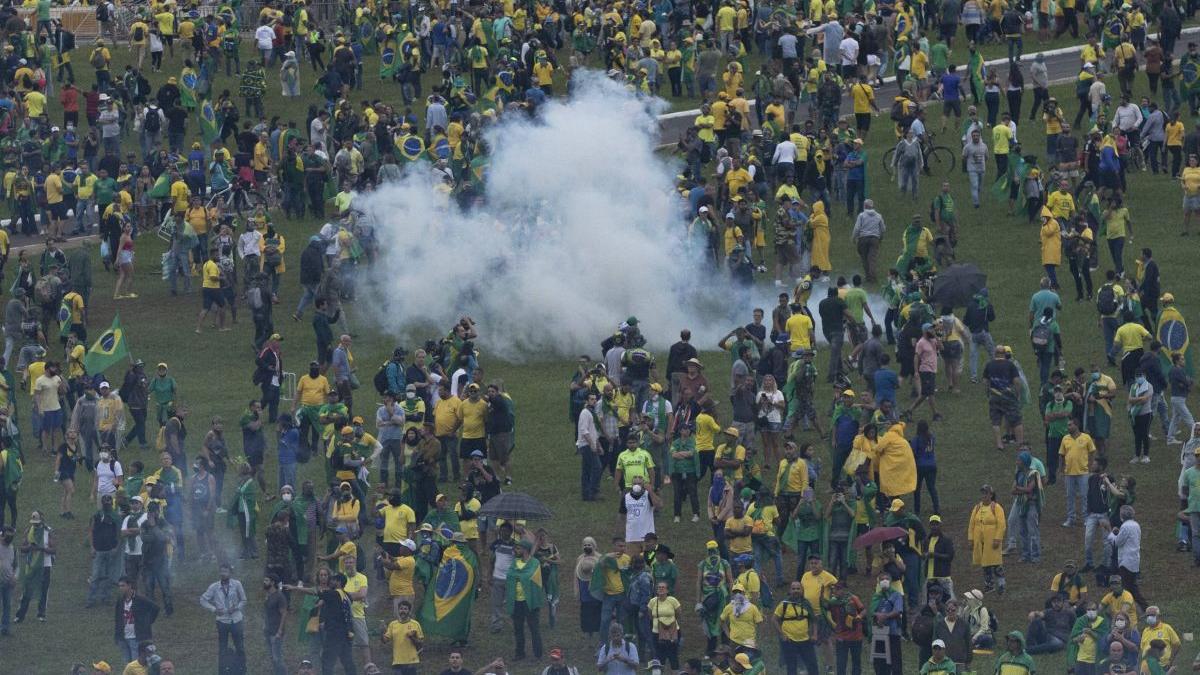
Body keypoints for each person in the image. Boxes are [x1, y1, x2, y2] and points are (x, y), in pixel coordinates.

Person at [198, 564, 246, 672]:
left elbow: (244, 600)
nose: (223, 574)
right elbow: (202, 600)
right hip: (222, 621)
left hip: (236, 620)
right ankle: (222, 671)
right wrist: (214, 609)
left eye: (225, 571)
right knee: (222, 648)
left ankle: (242, 670)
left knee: (240, 647)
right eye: (221, 572)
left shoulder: (237, 584)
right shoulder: (214, 586)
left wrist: (237, 608)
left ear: (230, 573)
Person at [506, 538, 545, 661]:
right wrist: (520, 576)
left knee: (534, 628)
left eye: (518, 548)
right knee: (518, 628)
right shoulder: (514, 563)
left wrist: (519, 576)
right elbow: (509, 575)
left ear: (525, 550)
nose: (515, 550)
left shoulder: (534, 563)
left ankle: (538, 654)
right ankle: (519, 653)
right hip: (516, 601)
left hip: (530, 601)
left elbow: (531, 577)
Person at [773, 580, 819, 675]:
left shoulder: (806, 604)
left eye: (798, 589)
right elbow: (774, 619)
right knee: (791, 668)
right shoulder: (784, 604)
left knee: (813, 666)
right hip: (790, 641)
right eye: (793, 589)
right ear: (790, 590)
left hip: (805, 640)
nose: (796, 591)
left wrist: (815, 634)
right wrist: (782, 635)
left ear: (802, 590)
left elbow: (814, 620)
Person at [967, 485, 1006, 594]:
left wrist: (997, 539)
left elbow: (1001, 525)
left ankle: (1001, 584)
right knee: (985, 564)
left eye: (986, 493)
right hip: (980, 542)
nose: (984, 496)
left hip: (992, 541)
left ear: (991, 495)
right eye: (983, 493)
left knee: (996, 564)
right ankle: (989, 585)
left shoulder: (997, 507)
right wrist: (971, 539)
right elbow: (971, 524)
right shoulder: (977, 508)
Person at [113, 576, 158, 664]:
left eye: (123, 586)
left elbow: (155, 608)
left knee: (137, 663)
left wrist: (147, 622)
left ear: (129, 585)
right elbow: (117, 618)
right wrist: (117, 635)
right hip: (123, 637)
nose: (121, 588)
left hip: (136, 637)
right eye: (119, 586)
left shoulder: (140, 599)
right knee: (127, 664)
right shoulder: (121, 600)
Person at [869, 571, 905, 675]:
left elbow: (898, 611)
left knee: (895, 663)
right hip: (879, 633)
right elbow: (871, 612)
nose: (884, 581)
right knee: (879, 664)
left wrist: (885, 616)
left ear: (890, 581)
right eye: (882, 579)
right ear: (879, 582)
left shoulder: (896, 595)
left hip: (893, 633)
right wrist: (877, 616)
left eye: (887, 579)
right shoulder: (876, 596)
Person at [381, 599, 423, 675]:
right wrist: (382, 631)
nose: (403, 611)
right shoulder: (393, 624)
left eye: (405, 609)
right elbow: (385, 641)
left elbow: (421, 644)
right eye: (401, 609)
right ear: (398, 610)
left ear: (409, 611)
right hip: (397, 661)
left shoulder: (415, 624)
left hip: (411, 661)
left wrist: (412, 637)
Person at [263, 573, 288, 675]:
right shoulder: (268, 595)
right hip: (268, 631)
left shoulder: (279, 596)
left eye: (266, 580)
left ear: (273, 583)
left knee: (277, 657)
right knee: (273, 657)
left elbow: (284, 614)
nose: (264, 582)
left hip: (276, 632)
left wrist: (280, 631)